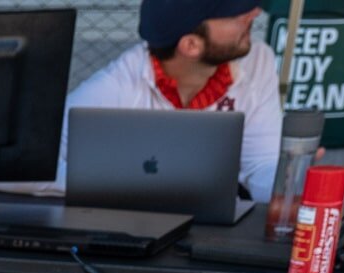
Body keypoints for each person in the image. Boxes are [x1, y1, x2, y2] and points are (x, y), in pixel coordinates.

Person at [61, 0, 282, 200]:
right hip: (130, 227)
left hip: (215, 232)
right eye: (235, 15)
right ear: (191, 46)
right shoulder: (113, 87)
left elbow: (262, 163)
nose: (254, 13)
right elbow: (39, 165)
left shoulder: (257, 62)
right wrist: (112, 191)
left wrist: (292, 185)